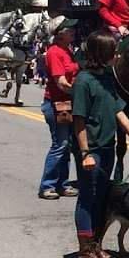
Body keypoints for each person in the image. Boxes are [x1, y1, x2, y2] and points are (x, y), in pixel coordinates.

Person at [71, 31, 129, 258]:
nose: (116, 54)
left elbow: (118, 111)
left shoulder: (106, 78)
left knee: (102, 197)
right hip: (91, 149)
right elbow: (79, 120)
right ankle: (85, 250)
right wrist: (85, 153)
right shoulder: (83, 81)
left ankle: (96, 243)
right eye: (113, 51)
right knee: (87, 196)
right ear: (100, 54)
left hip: (107, 147)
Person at [38, 18, 80, 200]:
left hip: (66, 104)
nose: (73, 31)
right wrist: (81, 93)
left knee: (66, 145)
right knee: (60, 145)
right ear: (60, 33)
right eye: (69, 29)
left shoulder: (67, 50)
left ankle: (62, 184)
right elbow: (61, 82)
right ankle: (47, 185)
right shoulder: (55, 52)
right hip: (56, 105)